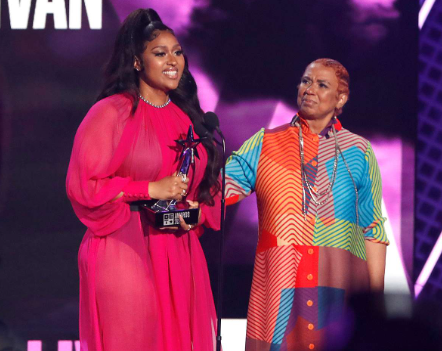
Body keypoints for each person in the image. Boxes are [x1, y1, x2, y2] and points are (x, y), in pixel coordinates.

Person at [66, 8, 221, 351]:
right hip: (125, 247)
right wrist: (149, 189)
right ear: (137, 62)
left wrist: (195, 207)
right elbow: (85, 186)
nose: (172, 61)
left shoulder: (188, 120)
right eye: (160, 53)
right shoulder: (111, 112)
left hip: (177, 251)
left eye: (178, 52)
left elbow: (206, 191)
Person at [225, 58, 389, 351]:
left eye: (322, 84)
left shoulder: (360, 152)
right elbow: (217, 189)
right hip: (279, 296)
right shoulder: (265, 143)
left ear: (341, 98)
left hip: (338, 297)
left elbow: (373, 230)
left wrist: (374, 309)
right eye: (305, 81)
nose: (309, 89)